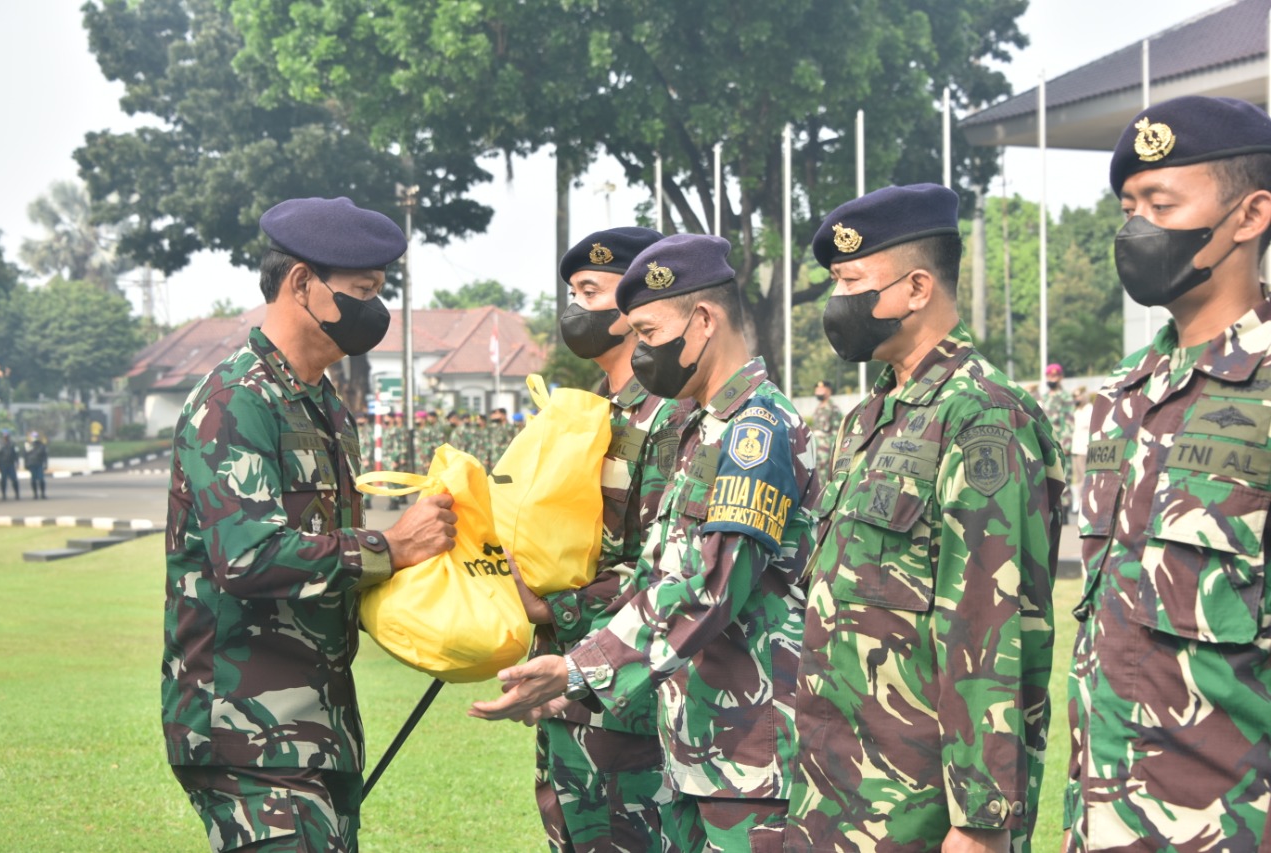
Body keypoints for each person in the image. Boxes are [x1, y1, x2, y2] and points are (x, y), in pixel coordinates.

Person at [471, 233, 821, 853]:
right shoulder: (704, 431)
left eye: (650, 332)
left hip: (751, 759)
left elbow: (706, 588)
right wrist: (571, 671)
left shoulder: (756, 431)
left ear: (704, 320)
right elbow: (652, 579)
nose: (641, 352)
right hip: (693, 749)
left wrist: (577, 668)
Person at [161, 196, 458, 853]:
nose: (376, 309)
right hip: (244, 726)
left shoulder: (324, 406)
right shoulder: (235, 402)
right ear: (301, 283)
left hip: (319, 727)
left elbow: (325, 559)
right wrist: (390, 547)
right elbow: (248, 556)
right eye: (364, 291)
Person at [786, 183, 1065, 852]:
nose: (837, 301)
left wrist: (979, 820)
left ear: (916, 288)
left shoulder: (982, 416)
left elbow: (988, 626)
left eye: (852, 282)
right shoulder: (872, 416)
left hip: (916, 810)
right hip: (835, 790)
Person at [1065, 96, 1271, 852]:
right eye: (1127, 208)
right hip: (1102, 819)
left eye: (1161, 204)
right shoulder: (1120, 398)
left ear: (1250, 216)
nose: (1136, 228)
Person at [521, 225, 687, 852]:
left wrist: (554, 607)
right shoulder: (591, 412)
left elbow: (667, 566)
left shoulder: (669, 415)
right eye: (572, 294)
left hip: (632, 705)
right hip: (570, 694)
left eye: (591, 292)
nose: (575, 310)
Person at [1039, 362, 1077, 522]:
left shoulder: (1065, 397)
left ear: (1061, 377)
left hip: (1061, 443)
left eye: (1055, 376)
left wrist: (1066, 444)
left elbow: (1069, 421)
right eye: (1049, 376)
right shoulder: (1045, 397)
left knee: (1064, 477)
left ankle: (1065, 513)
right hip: (1047, 444)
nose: (1052, 379)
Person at [809, 380, 843, 484]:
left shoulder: (833, 409)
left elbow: (837, 433)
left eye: (821, 390)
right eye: (817, 390)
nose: (818, 392)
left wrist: (832, 453)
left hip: (826, 452)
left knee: (826, 480)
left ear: (829, 391)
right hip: (816, 450)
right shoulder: (818, 408)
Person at [0, 428, 20, 501]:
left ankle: (17, 494)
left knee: (14, 480)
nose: (6, 437)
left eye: (7, 435)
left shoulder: (12, 443)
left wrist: (17, 462)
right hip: (3, 464)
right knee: (3, 481)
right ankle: (4, 495)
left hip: (11, 464)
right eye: (4, 435)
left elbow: (16, 454)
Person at [24, 431, 47, 499]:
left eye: (36, 436)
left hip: (39, 464)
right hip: (31, 464)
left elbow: (45, 455)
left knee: (41, 479)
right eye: (33, 437)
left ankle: (42, 494)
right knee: (33, 480)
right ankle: (35, 494)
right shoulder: (28, 445)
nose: (35, 438)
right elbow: (25, 455)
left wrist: (45, 464)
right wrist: (26, 464)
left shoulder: (41, 445)